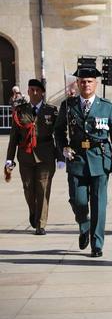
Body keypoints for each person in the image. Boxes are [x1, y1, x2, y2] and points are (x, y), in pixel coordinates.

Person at [54, 67, 112, 258]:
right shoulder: (68, 106)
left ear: (96, 84)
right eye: (82, 81)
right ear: (77, 83)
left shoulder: (106, 107)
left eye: (89, 81)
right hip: (76, 159)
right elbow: (58, 131)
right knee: (77, 201)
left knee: (99, 204)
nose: (86, 84)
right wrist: (63, 148)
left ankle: (97, 244)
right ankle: (83, 225)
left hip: (99, 159)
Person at [5, 79, 62, 235]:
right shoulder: (20, 111)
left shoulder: (52, 111)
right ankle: (33, 211)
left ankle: (41, 223)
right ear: (28, 92)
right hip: (26, 155)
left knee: (43, 189)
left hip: (46, 156)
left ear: (42, 92)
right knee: (28, 188)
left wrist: (61, 156)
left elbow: (59, 135)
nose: (35, 92)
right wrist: (9, 159)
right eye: (32, 90)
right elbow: (13, 137)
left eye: (37, 90)